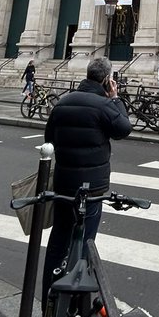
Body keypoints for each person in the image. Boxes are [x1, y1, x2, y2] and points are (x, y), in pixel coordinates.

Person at [41, 56, 132, 303]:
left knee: (59, 238)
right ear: (107, 80)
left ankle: (49, 296)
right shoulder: (103, 106)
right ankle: (75, 303)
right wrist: (115, 98)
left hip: (63, 183)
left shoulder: (63, 103)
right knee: (85, 241)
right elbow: (124, 128)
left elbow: (49, 139)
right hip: (91, 188)